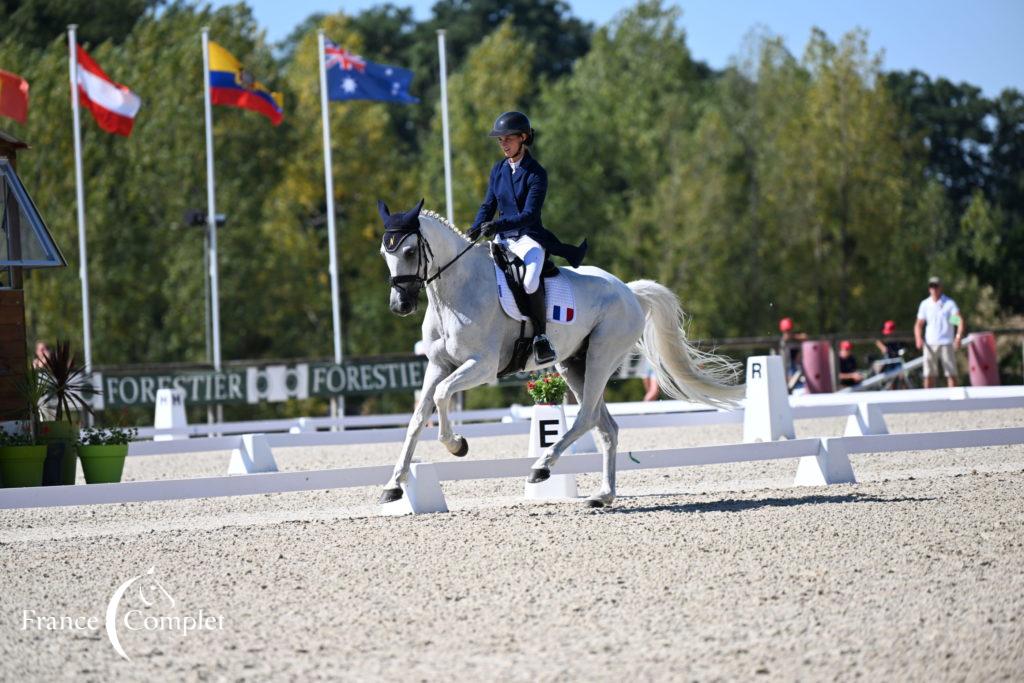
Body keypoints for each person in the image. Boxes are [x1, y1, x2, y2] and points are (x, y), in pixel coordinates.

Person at [469, 111, 588, 365]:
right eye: (500, 140)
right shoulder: (498, 169)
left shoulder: (536, 173)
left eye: (508, 139)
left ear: (523, 138)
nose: (503, 144)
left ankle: (541, 338)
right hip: (502, 238)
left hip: (528, 238)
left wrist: (497, 224)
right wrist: (475, 227)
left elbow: (529, 214)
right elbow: (488, 204)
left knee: (530, 281)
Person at [914, 276, 965, 388]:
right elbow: (919, 324)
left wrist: (958, 337)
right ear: (929, 289)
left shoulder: (948, 304)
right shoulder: (925, 304)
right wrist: (918, 338)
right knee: (928, 375)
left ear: (940, 287)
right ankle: (928, 401)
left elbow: (957, 321)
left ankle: (954, 402)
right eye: (932, 286)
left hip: (946, 343)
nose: (934, 289)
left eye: (936, 286)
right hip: (930, 344)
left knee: (951, 374)